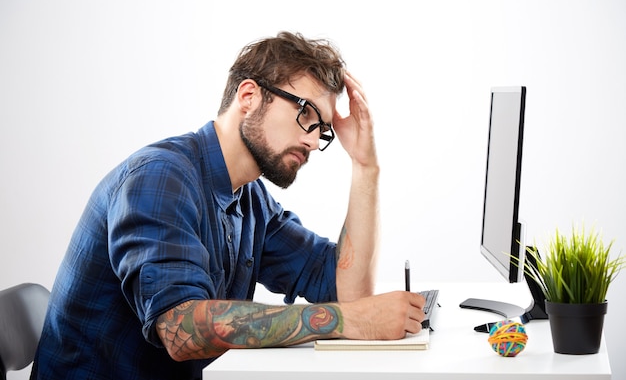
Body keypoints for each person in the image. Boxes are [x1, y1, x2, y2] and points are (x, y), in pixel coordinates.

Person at [31, 32, 425, 380]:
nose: (313, 139)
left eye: (322, 129)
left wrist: (365, 165)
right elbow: (180, 329)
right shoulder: (160, 177)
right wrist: (343, 322)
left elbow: (347, 291)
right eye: (306, 113)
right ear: (249, 96)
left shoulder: (250, 199)